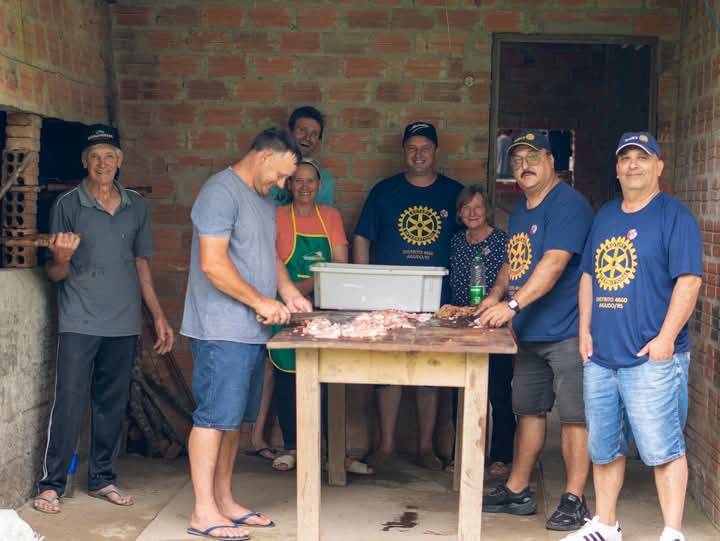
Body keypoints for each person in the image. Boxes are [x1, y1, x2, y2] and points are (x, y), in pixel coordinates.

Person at [561, 133, 702, 541]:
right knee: (604, 447)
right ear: (617, 169)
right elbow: (588, 276)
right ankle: (606, 525)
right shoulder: (605, 216)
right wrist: (584, 332)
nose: (633, 165)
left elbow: (689, 281)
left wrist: (665, 339)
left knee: (664, 449)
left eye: (643, 157)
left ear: (659, 166)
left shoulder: (675, 217)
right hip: (602, 357)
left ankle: (672, 532)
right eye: (626, 158)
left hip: (651, 359)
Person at [33, 125, 174, 514]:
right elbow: (55, 274)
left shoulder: (135, 205)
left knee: (111, 403)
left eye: (109, 156)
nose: (102, 163)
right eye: (95, 156)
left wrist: (158, 315)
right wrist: (61, 257)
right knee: (70, 400)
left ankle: (102, 479)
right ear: (84, 162)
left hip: (123, 320)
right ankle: (51, 484)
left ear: (119, 161)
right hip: (79, 319)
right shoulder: (67, 204)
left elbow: (141, 264)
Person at [180, 128, 312, 540]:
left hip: (251, 331)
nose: (283, 185)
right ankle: (203, 510)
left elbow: (268, 255)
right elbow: (213, 264)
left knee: (232, 421)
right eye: (281, 175)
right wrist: (260, 301)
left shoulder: (262, 199)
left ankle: (224, 501)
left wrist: (289, 293)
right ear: (264, 157)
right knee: (212, 418)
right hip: (220, 329)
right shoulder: (219, 193)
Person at [477, 130, 594, 531]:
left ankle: (574, 499)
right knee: (527, 410)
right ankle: (517, 489)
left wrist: (511, 306)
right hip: (531, 334)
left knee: (575, 417)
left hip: (567, 331)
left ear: (549, 160)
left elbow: (554, 263)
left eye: (531, 158)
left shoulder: (568, 204)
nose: (523, 166)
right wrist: (495, 296)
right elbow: (516, 261)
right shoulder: (522, 210)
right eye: (516, 161)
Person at [353, 121, 464, 471]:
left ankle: (426, 448)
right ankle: (385, 446)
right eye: (412, 148)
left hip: (439, 303)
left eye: (425, 148)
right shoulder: (384, 191)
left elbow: (471, 239)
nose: (419, 155)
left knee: (430, 375)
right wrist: (365, 286)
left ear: (436, 152)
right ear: (403, 151)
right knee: (387, 374)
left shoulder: (454, 193)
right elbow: (362, 238)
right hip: (388, 303)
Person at [265, 158, 372, 476]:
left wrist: (305, 288)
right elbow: (270, 265)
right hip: (286, 309)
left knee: (328, 379)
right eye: (297, 180)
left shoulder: (331, 216)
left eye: (310, 180)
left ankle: (332, 452)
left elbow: (340, 265)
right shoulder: (277, 217)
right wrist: (294, 294)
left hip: (325, 308)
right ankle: (293, 447)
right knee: (288, 376)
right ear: (289, 184)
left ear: (319, 185)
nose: (304, 186)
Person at [447, 184, 515, 477]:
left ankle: (501, 455)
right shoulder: (456, 242)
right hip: (461, 325)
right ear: (459, 213)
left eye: (478, 207)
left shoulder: (502, 241)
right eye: (466, 207)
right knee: (460, 392)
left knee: (499, 391)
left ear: (487, 210)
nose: (472, 213)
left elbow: (511, 279)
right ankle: (462, 453)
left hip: (494, 323)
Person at [269, 106, 335, 207]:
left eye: (314, 134)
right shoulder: (267, 171)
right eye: (302, 130)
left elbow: (323, 215)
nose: (307, 137)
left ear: (318, 141)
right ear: (289, 132)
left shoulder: (325, 179)